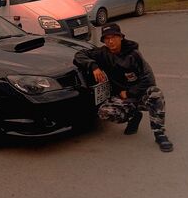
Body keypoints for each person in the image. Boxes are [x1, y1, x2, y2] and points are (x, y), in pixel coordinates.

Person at [74, 23, 173, 152]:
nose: (110, 41)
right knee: (104, 112)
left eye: (113, 37)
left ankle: (159, 134)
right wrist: (93, 67)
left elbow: (149, 79)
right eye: (107, 38)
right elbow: (79, 55)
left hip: (139, 94)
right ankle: (134, 116)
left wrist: (130, 92)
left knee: (155, 93)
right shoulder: (102, 53)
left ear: (121, 37)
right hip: (122, 98)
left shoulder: (134, 55)